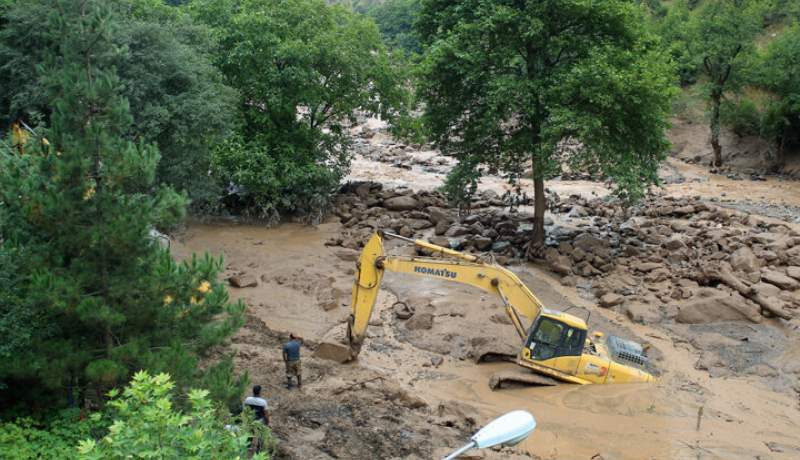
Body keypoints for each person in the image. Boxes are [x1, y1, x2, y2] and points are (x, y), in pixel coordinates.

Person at [243, 385, 269, 453]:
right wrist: (267, 422)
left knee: (249, 433)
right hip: (260, 420)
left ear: (253, 391)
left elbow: (245, 410)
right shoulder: (263, 402)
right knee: (261, 435)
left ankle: (247, 447)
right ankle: (259, 450)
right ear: (260, 392)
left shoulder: (247, 399)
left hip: (250, 420)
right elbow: (266, 414)